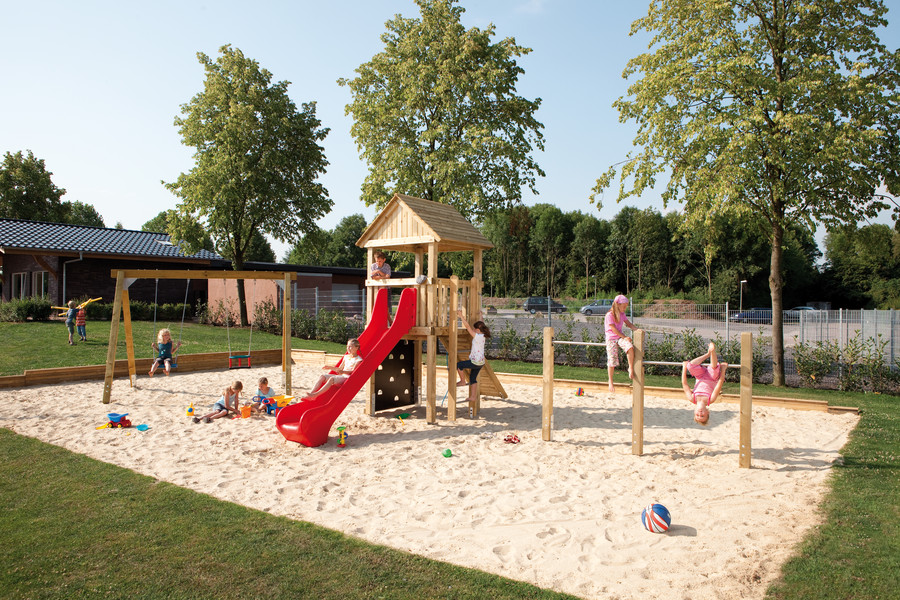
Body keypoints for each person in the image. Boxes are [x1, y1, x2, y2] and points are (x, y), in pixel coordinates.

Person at [682, 342, 728, 426]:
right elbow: (719, 384)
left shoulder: (692, 398)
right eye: (702, 415)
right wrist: (723, 370)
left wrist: (684, 368)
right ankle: (712, 351)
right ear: (707, 412)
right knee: (713, 368)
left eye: (697, 415)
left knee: (690, 365)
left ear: (694, 412)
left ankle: (708, 354)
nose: (700, 413)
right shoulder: (711, 399)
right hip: (712, 377)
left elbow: (684, 384)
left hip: (700, 376)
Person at [455, 310, 491, 409]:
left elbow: (467, 327)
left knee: (459, 365)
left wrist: (461, 316)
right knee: (472, 379)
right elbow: (482, 324)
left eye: (474, 329)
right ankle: (473, 397)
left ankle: (462, 381)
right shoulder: (483, 335)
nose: (473, 330)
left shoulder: (477, 336)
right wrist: (481, 316)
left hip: (475, 362)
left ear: (477, 330)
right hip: (481, 362)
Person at [606, 294, 636, 393]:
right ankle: (610, 381)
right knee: (612, 360)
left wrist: (637, 330)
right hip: (611, 338)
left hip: (619, 337)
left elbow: (629, 324)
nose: (625, 308)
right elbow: (613, 329)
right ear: (618, 304)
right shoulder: (609, 315)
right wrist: (624, 337)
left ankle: (630, 368)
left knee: (629, 346)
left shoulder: (622, 314)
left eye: (626, 306)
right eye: (624, 306)